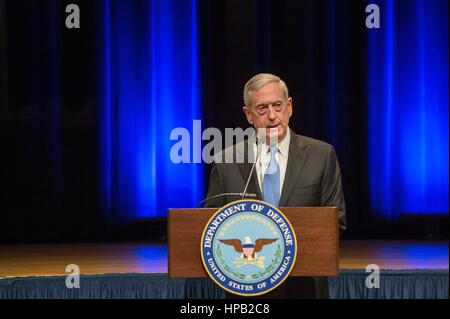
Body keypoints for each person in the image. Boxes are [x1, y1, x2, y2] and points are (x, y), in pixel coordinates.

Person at [205, 73, 346, 299]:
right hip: (247, 287)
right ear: (248, 115)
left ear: (289, 107)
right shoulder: (227, 161)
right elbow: (212, 223)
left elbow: (335, 221)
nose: (272, 116)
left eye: (277, 106)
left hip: (304, 286)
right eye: (262, 109)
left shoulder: (321, 155)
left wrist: (283, 257)